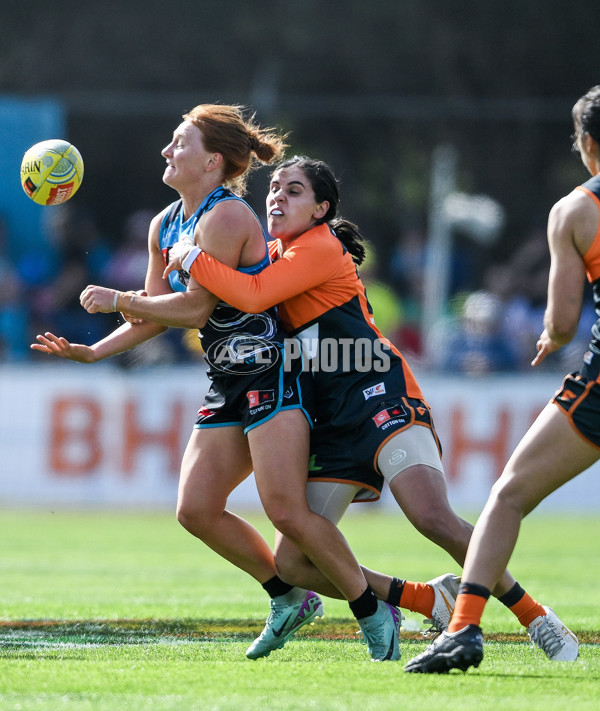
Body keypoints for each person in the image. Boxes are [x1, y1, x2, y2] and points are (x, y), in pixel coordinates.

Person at [31, 104, 434, 663]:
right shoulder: (162, 224)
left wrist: (117, 298)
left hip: (273, 377)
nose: (167, 151)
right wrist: (93, 351)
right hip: (226, 380)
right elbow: (151, 316)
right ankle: (288, 597)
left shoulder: (226, 216)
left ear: (213, 161)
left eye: (180, 143)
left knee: (288, 513)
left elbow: (196, 307)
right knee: (195, 509)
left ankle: (372, 608)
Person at [161, 155, 566, 660]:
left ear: (320, 210)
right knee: (294, 566)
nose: (276, 197)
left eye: (293, 191)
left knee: (432, 516)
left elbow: (252, 293)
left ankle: (536, 617)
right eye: (274, 189)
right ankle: (420, 597)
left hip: (380, 394)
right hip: (329, 419)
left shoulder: (319, 245)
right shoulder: (269, 252)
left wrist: (190, 256)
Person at [403, 86, 600, 674]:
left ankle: (462, 628)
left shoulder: (576, 210)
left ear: (588, 144)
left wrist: (548, 337)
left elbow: (563, 324)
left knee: (508, 497)